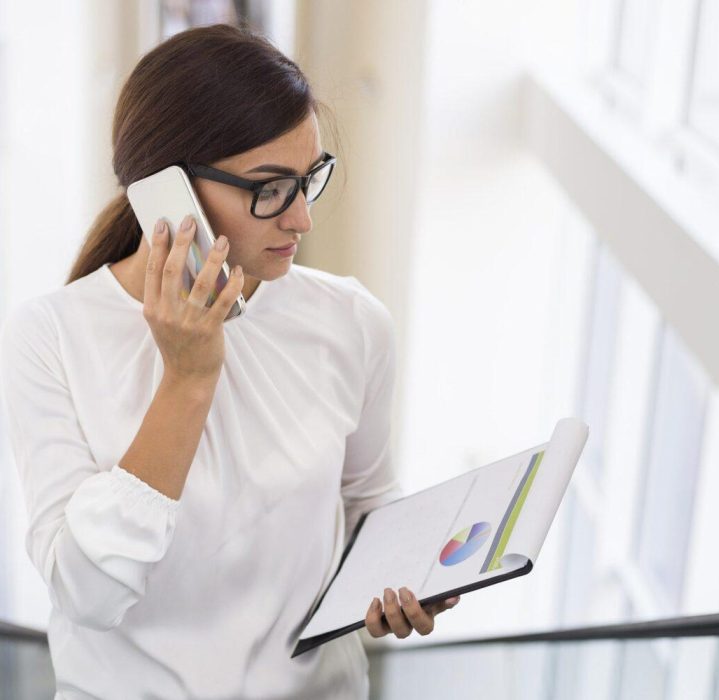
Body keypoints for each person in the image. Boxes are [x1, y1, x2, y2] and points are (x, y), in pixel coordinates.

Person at [0, 23, 459, 700]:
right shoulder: (49, 338)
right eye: (270, 189)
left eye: (309, 180)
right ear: (166, 193)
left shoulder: (352, 322)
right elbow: (88, 593)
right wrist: (187, 377)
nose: (301, 220)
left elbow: (367, 500)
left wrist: (406, 574)